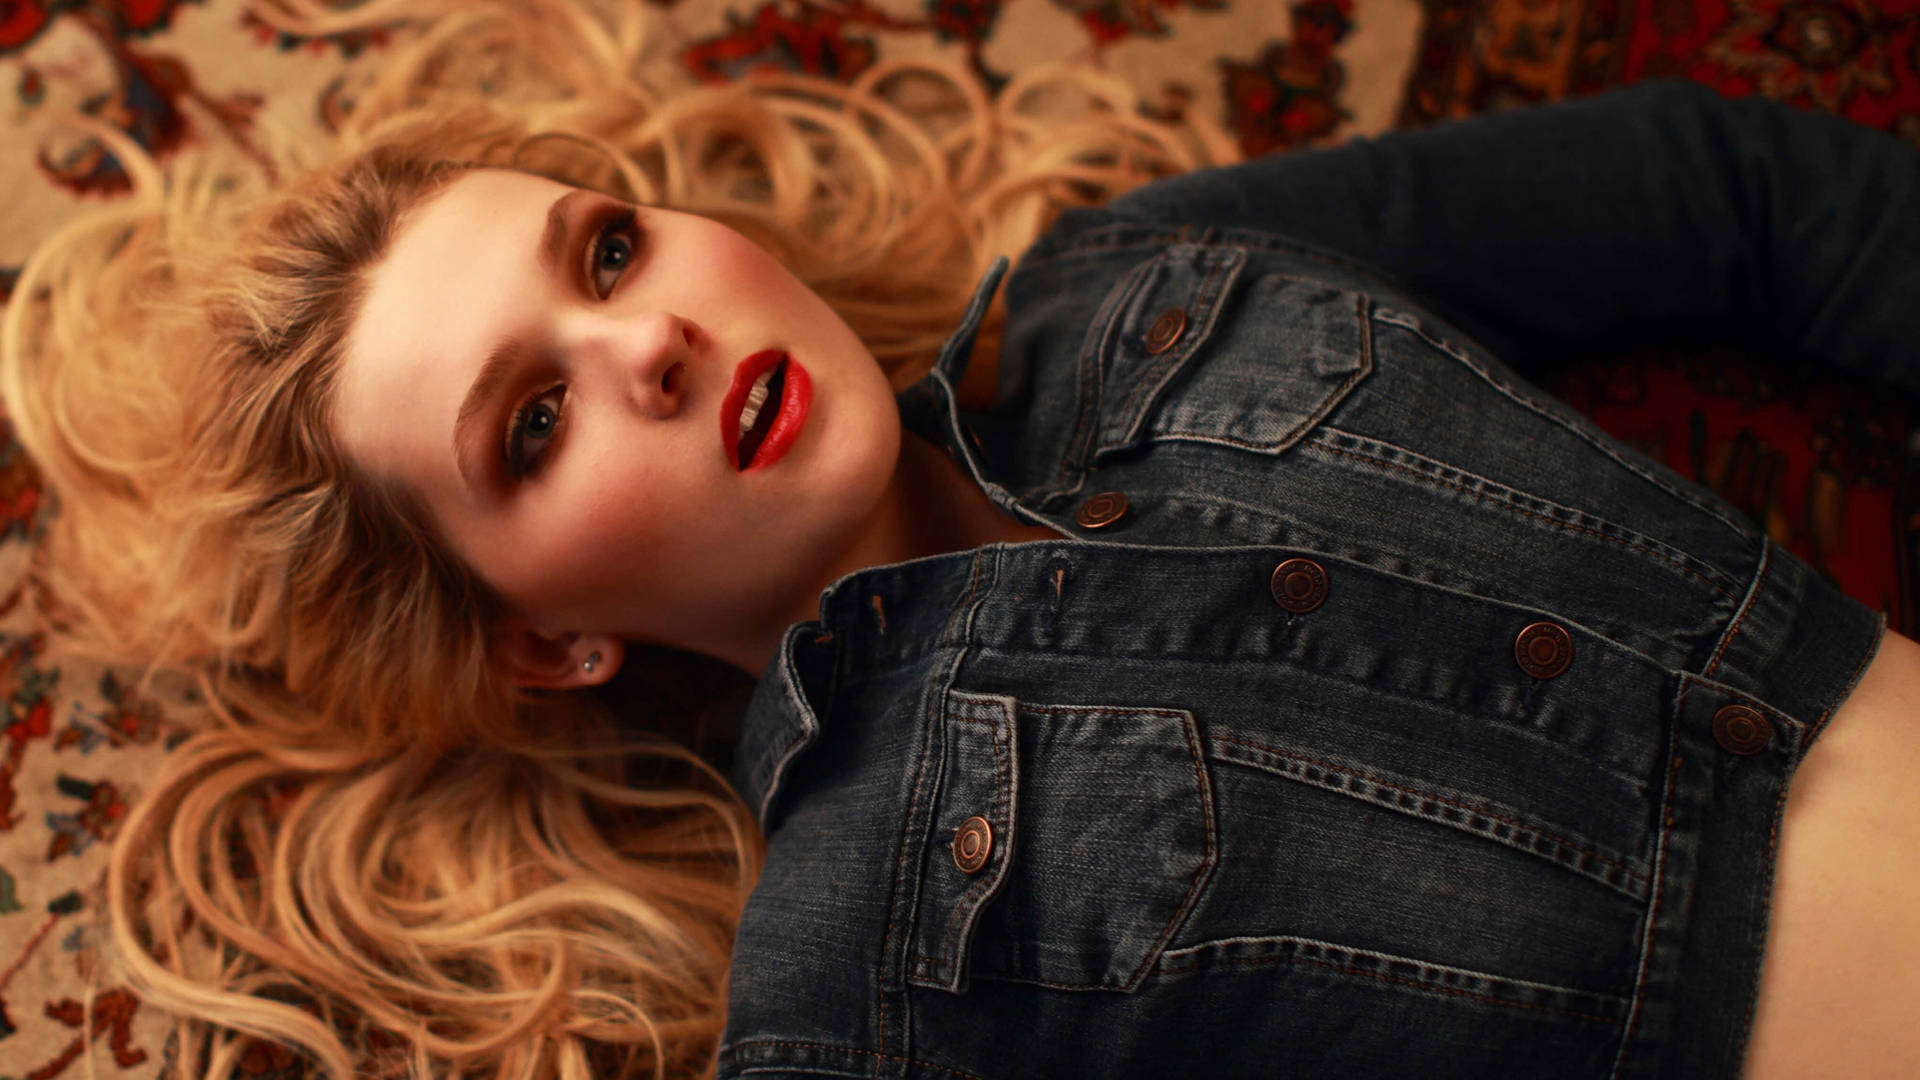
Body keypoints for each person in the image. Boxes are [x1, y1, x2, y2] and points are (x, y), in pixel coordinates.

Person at [1, 1, 1915, 1078]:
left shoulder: (1140, 276)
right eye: (534, 423)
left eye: (608, 251)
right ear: (542, 642)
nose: (646, 339)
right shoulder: (850, 995)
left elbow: (1720, 190)